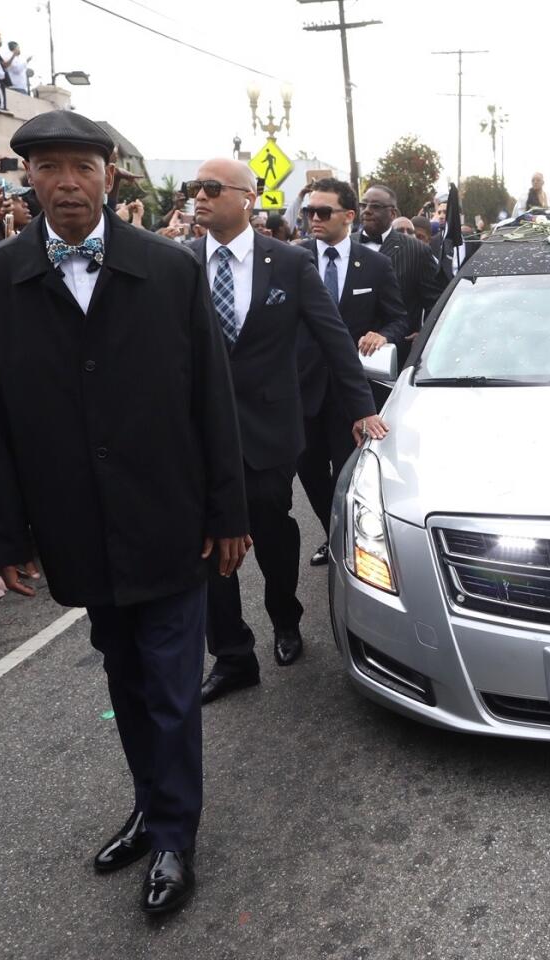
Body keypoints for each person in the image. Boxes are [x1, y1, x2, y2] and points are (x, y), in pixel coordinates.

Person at [0, 111, 249, 915]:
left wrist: (229, 512)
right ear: (28, 179)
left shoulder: (170, 270)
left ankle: (173, 836)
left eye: (81, 167)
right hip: (77, 526)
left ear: (109, 176)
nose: (66, 183)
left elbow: (211, 402)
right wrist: (8, 535)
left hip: (171, 516)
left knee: (168, 681)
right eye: (48, 168)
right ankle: (152, 803)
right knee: (124, 675)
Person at [185, 158, 383, 704]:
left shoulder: (289, 263)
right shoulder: (179, 262)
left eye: (210, 188)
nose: (198, 197)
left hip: (269, 429)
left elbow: (333, 338)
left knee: (272, 530)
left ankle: (285, 617)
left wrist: (361, 407)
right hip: (199, 434)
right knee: (207, 544)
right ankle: (231, 654)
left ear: (247, 197)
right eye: (193, 188)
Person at [296, 176, 407, 568]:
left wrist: (382, 332)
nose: (314, 218)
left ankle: (349, 540)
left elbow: (398, 317)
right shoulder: (295, 259)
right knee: (308, 470)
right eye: (309, 211)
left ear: (348, 215)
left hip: (351, 394)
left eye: (323, 211)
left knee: (350, 471)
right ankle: (334, 532)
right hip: (303, 387)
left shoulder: (375, 265)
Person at [358, 183, 446, 347]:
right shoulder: (346, 245)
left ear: (392, 213)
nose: (367, 210)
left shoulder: (416, 251)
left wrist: (426, 334)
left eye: (375, 206)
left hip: (398, 352)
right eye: (363, 205)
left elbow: (437, 302)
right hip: (346, 354)